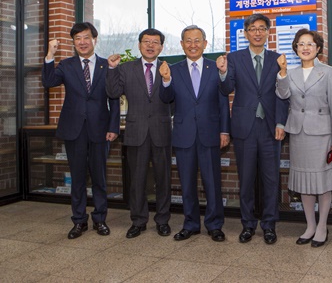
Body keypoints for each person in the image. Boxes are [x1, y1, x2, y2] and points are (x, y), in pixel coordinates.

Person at [216, 13, 289, 245]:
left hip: (270, 129)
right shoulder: (234, 58)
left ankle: (269, 225)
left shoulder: (277, 59)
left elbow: (282, 95)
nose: (257, 32)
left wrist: (280, 122)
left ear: (268, 33)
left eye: (262, 28)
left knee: (271, 180)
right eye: (253, 29)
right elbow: (226, 88)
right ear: (246, 33)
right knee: (246, 180)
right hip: (244, 128)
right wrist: (223, 71)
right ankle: (247, 224)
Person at [42, 22, 120, 239]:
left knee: (99, 177)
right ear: (73, 43)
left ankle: (100, 219)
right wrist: (50, 54)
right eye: (77, 39)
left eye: (86, 37)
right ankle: (79, 221)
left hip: (100, 129)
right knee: (77, 177)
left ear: (95, 39)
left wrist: (113, 127)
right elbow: (48, 82)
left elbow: (114, 99)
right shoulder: (66, 65)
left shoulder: (107, 66)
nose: (82, 42)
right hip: (74, 129)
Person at [159, 25, 230, 242]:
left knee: (212, 183)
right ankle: (190, 224)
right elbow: (166, 98)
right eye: (188, 41)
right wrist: (165, 80)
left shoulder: (215, 68)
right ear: (181, 45)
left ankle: (214, 224)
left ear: (205, 43)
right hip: (184, 134)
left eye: (197, 40)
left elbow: (223, 101)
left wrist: (224, 130)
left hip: (210, 134)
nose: (193, 45)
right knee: (187, 183)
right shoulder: (174, 69)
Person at [275, 29, 332, 247]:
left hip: (322, 135)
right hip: (298, 134)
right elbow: (282, 94)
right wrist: (282, 73)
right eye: (301, 44)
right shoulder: (290, 73)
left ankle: (322, 226)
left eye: (310, 44)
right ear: (296, 48)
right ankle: (310, 225)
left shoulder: (328, 72)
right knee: (304, 183)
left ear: (318, 48)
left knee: (322, 183)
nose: (305, 48)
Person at [106, 28, 173, 239]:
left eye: (155, 42)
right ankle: (138, 221)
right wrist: (111, 69)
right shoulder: (126, 69)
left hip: (161, 131)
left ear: (162, 47)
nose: (151, 45)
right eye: (146, 41)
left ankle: (162, 220)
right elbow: (113, 92)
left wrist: (166, 80)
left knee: (163, 179)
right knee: (137, 180)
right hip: (136, 132)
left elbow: (172, 97)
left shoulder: (169, 68)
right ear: (139, 45)